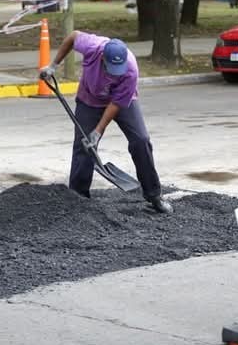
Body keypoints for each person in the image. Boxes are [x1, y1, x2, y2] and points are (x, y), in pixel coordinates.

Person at [39, 31, 173, 214]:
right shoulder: (92, 46)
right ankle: (78, 198)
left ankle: (154, 195)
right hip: (89, 99)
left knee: (141, 140)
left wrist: (98, 131)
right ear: (102, 57)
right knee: (83, 146)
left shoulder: (131, 69)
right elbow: (72, 37)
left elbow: (117, 103)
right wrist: (53, 66)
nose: (116, 72)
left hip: (122, 102)